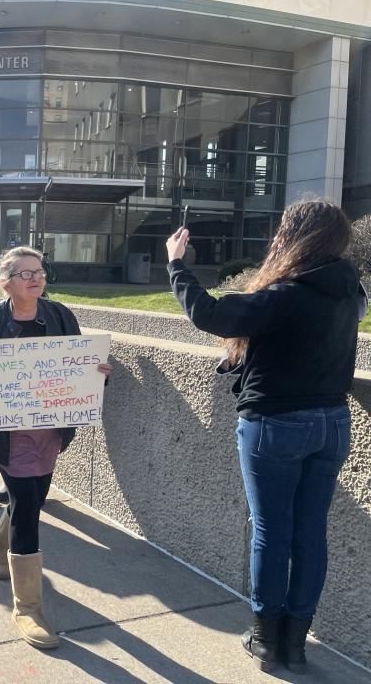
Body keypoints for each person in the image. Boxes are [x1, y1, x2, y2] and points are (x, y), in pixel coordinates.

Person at [165, 200, 364, 674]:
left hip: (276, 423)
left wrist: (176, 263)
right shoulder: (351, 290)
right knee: (310, 533)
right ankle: (295, 643)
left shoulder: (287, 294)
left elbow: (210, 315)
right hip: (332, 422)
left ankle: (266, 640)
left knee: (271, 534)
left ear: (293, 236)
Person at [0, 246, 111, 650]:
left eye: (39, 272)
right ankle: (28, 607)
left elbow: (75, 364)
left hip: (50, 430)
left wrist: (96, 374)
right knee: (27, 505)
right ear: (6, 283)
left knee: (33, 498)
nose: (36, 279)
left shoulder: (59, 315)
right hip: (8, 432)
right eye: (25, 274)